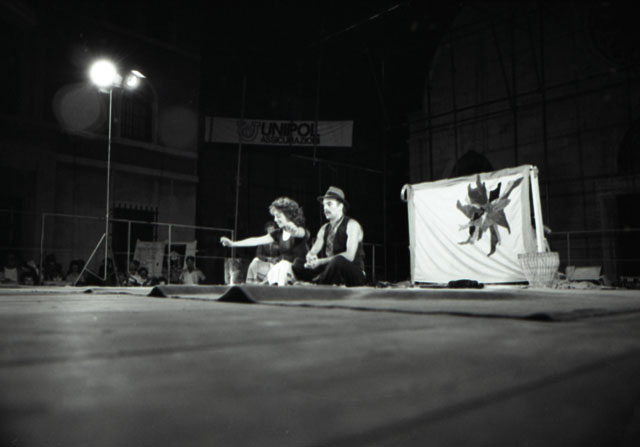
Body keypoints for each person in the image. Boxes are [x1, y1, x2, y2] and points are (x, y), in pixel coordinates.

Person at [220, 197, 309, 286]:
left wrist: (294, 230)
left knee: (282, 265)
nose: (275, 219)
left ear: (288, 215)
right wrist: (233, 243)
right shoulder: (278, 233)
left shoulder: (300, 230)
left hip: (300, 271)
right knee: (275, 268)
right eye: (274, 216)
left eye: (278, 216)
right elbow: (255, 240)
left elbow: (300, 233)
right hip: (284, 271)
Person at [293, 186, 366, 287]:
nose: (325, 208)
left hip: (352, 272)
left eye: (329, 204)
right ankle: (320, 281)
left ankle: (316, 284)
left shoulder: (352, 225)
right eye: (324, 205)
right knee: (298, 263)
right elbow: (313, 251)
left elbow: (349, 256)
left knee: (338, 260)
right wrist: (310, 257)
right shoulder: (324, 228)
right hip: (330, 270)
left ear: (340, 206)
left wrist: (320, 261)